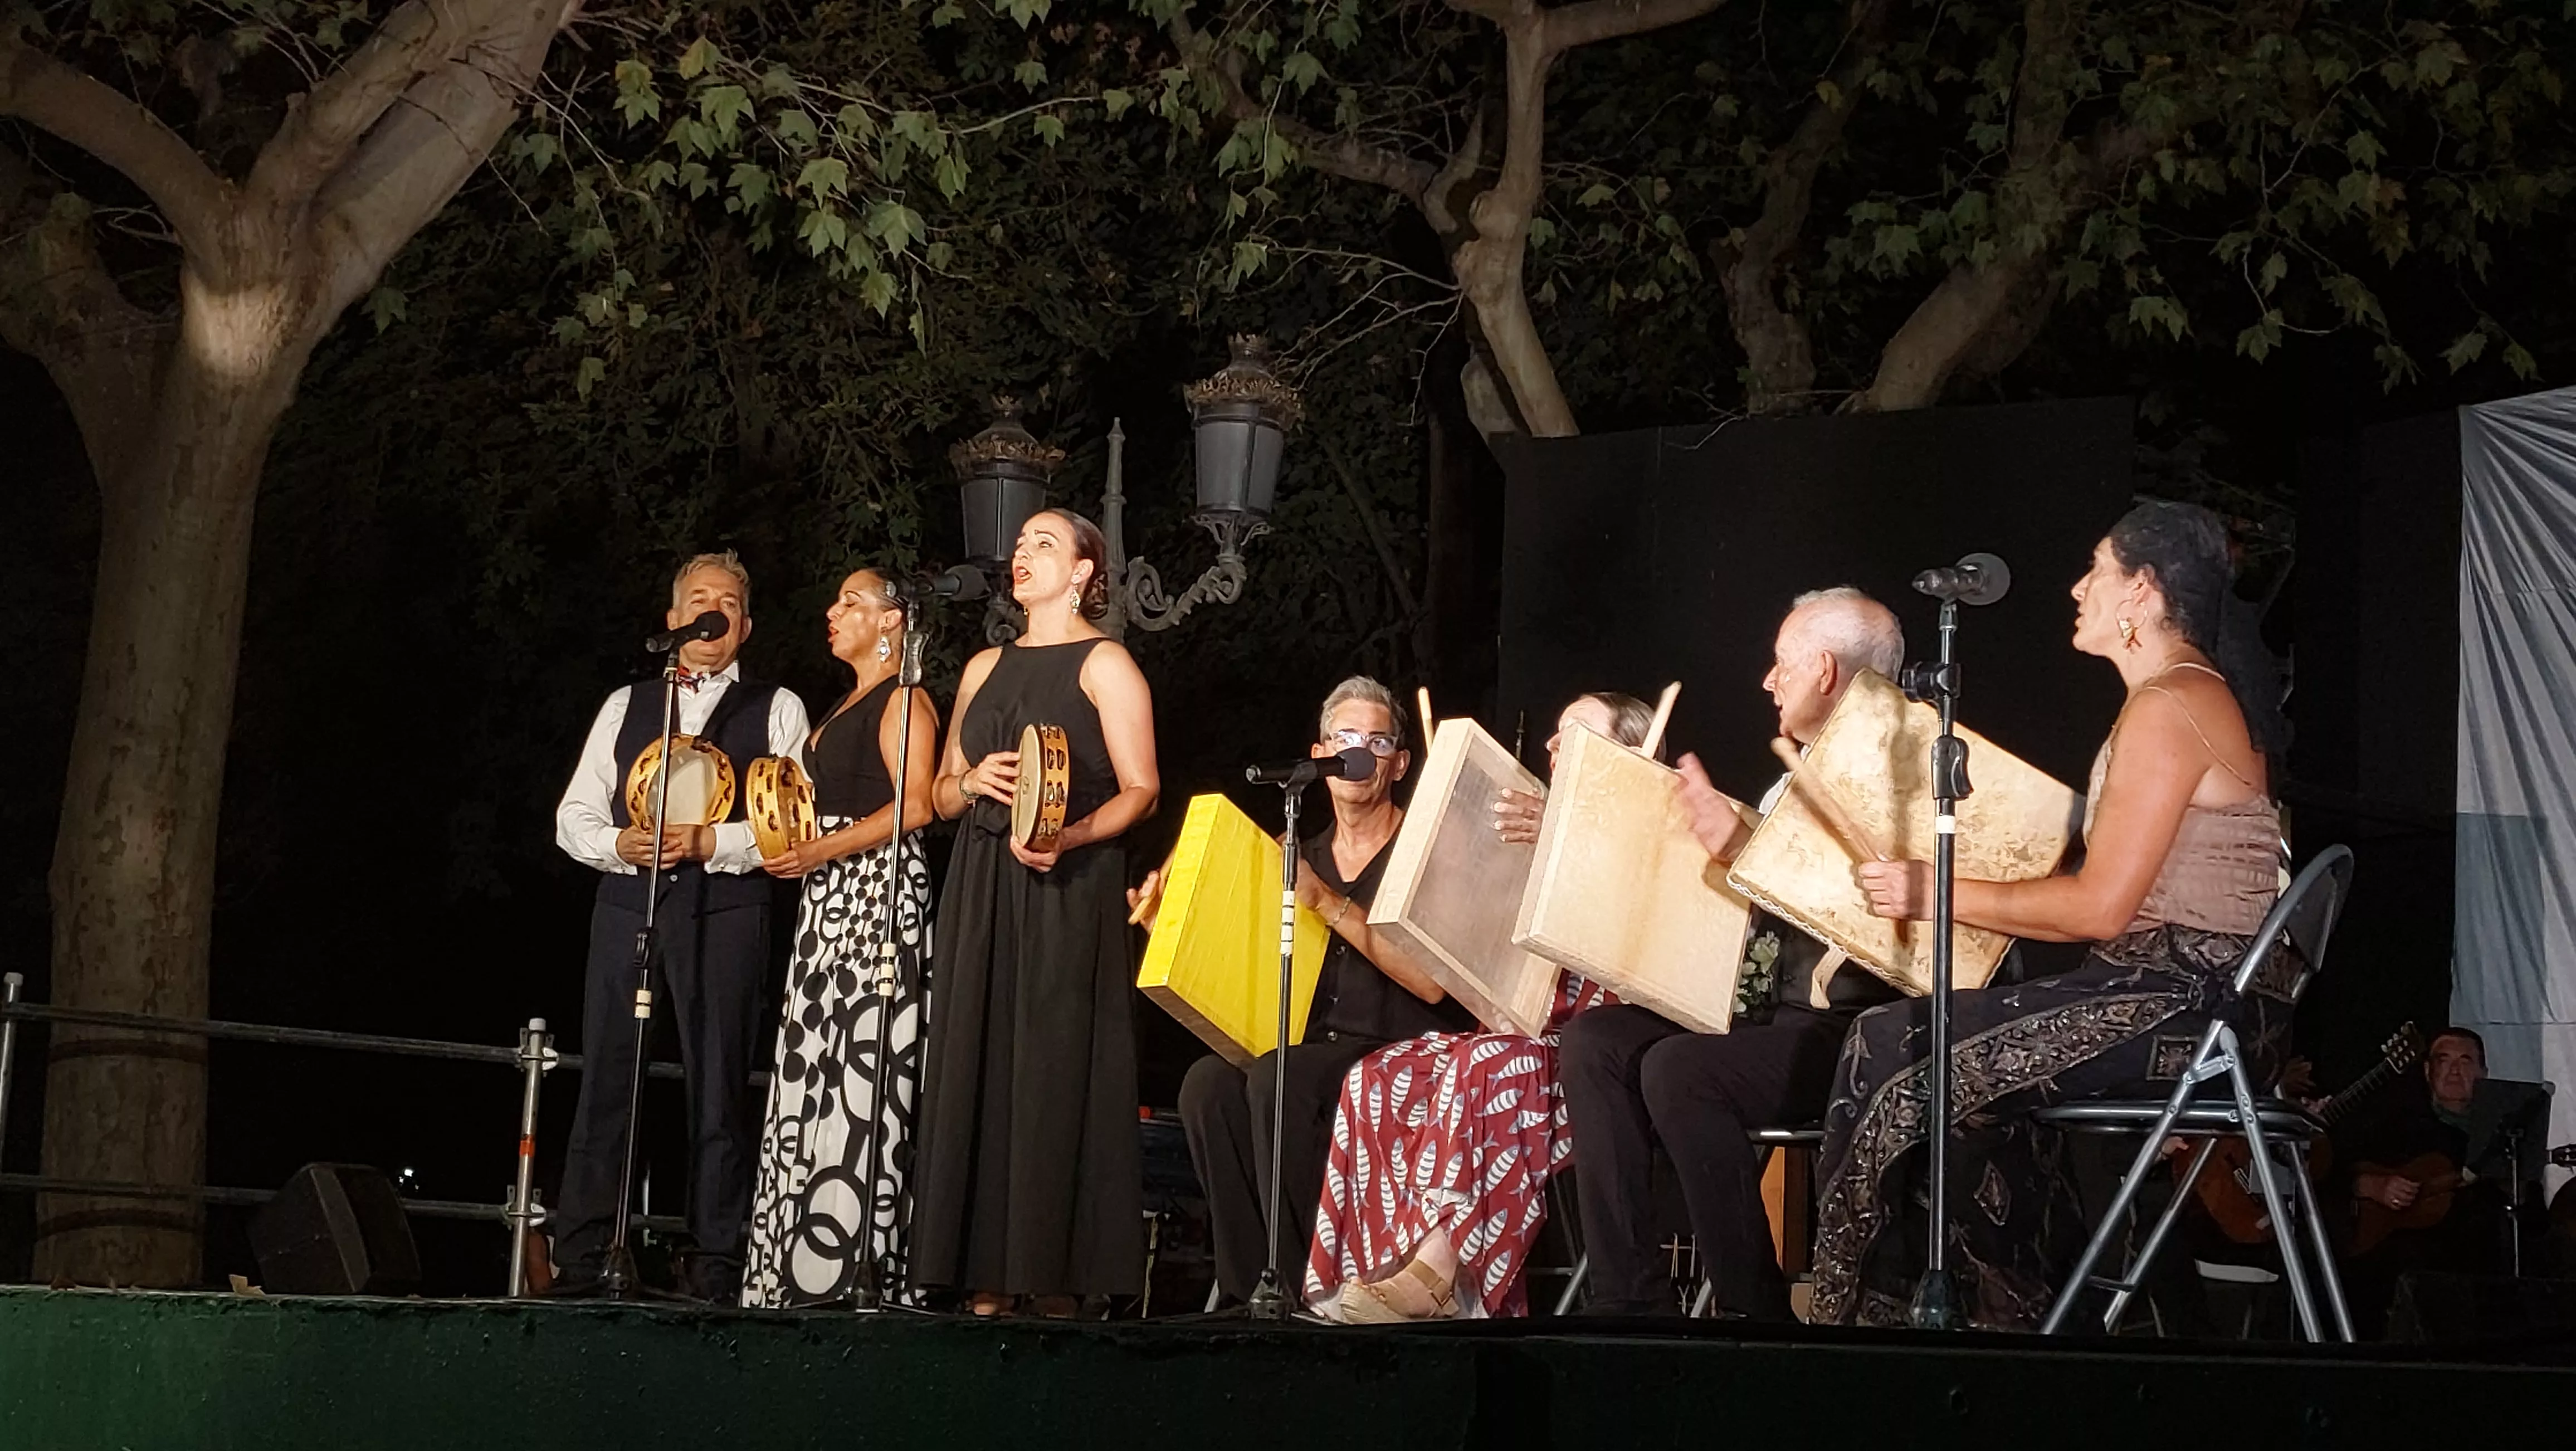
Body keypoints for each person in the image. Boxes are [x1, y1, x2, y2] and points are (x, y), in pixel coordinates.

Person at [1812, 500, 2290, 1329]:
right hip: (2184, 993)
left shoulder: (2171, 704)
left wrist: (1938, 892)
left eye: (2096, 569)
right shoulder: (2177, 698)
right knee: (1963, 1091)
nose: (2078, 588)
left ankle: (1849, 1317)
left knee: (1891, 1042)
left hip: (2193, 1002)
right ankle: (2013, 1316)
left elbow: (2103, 906)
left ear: (2140, 591)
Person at [1557, 590, 1908, 1320]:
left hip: (1859, 1035)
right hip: (1774, 1018)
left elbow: (1858, 904)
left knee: (1679, 1068)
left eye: (1781, 666)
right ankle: (1630, 1301)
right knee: (1597, 1041)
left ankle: (1754, 1313)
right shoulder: (1794, 780)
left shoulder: (1905, 774)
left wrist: (1740, 845)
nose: (1767, 682)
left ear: (1822, 670)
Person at [1299, 693, 1648, 1322]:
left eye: (1573, 734)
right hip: (1520, 1027)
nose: (1550, 745)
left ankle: (1439, 1281)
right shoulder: (1530, 822)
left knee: (1484, 1064)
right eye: (1556, 732)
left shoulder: (1649, 833)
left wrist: (1565, 836)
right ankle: (1370, 1275)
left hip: (1596, 1049)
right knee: (1381, 1077)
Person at [909, 511, 1160, 1317]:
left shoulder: (1106, 662)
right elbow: (940, 793)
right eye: (1018, 547)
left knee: (1053, 1071)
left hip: (1064, 885)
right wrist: (971, 781)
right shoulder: (985, 666)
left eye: (1044, 545)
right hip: (982, 882)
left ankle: (1057, 1281)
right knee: (978, 1061)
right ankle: (981, 1277)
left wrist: (1071, 834)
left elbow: (1142, 788)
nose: (1022, 556)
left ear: (1086, 571)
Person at [1162, 677, 1475, 1309]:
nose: (1357, 753)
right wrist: (1169, 903)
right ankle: (1250, 1286)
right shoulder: (1297, 853)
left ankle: (1310, 1284)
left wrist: (1326, 902)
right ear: (1319, 752)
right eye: (1344, 738)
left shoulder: (1425, 852)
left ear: (1399, 763)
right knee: (1207, 1083)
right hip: (1314, 1051)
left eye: (1376, 740)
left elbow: (1433, 981)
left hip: (1406, 1050)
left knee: (1283, 1076)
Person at [551, 552, 811, 1301]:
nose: (712, 614)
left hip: (727, 909)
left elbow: (791, 827)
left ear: (746, 625)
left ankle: (716, 1262)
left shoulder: (776, 708)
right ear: (673, 621)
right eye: (698, 602)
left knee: (720, 1083)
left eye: (727, 603)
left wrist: (712, 844)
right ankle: (586, 1254)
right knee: (608, 1074)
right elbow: (574, 815)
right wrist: (617, 845)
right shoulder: (628, 704)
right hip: (632, 902)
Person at [741, 568, 943, 1308]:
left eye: (852, 602)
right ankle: (793, 1270)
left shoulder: (906, 700)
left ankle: (851, 1269)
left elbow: (915, 807)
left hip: (873, 896)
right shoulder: (849, 701)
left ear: (893, 622)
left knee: (861, 1076)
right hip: (830, 904)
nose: (834, 612)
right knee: (815, 1068)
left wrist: (821, 851)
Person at [2332, 1027, 2512, 1333]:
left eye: (2466, 1061)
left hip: (2476, 1287)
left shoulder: (2504, 1134)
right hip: (2391, 1283)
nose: (2455, 1070)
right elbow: (2329, 1171)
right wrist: (2371, 1186)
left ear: (2483, 1073)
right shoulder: (2392, 1124)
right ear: (2428, 1071)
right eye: (2444, 1061)